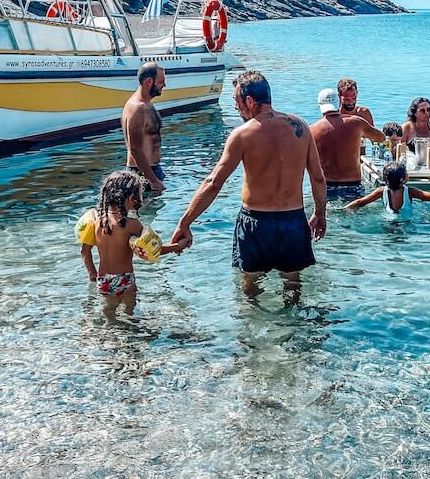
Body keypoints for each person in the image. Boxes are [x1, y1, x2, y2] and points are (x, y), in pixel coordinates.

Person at [170, 71, 327, 300]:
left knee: (250, 288)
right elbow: (318, 177)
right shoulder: (300, 127)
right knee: (292, 284)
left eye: (237, 101)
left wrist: (184, 222)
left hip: (256, 223)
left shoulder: (243, 134)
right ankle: (293, 322)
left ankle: (252, 323)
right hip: (293, 221)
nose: (236, 108)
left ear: (250, 101)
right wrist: (320, 214)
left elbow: (214, 183)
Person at [86, 170, 184, 306]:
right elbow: (154, 250)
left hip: (103, 280)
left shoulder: (96, 222)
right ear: (132, 198)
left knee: (108, 312)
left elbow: (85, 251)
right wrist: (178, 246)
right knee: (130, 311)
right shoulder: (132, 224)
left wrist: (92, 271)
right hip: (125, 280)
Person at [311, 87, 385, 200]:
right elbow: (381, 138)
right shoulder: (356, 122)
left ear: (319, 106)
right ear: (339, 102)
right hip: (353, 186)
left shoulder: (312, 130)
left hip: (325, 187)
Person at [344, 160, 430, 217]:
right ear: (403, 179)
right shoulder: (410, 192)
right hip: (407, 225)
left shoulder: (381, 191)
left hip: (388, 223)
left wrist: (343, 210)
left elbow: (360, 202)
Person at [122, 62, 167, 196]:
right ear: (149, 82)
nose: (164, 85)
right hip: (141, 174)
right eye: (161, 82)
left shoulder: (146, 104)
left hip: (150, 170)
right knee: (145, 209)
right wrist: (153, 180)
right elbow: (135, 148)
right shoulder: (137, 108)